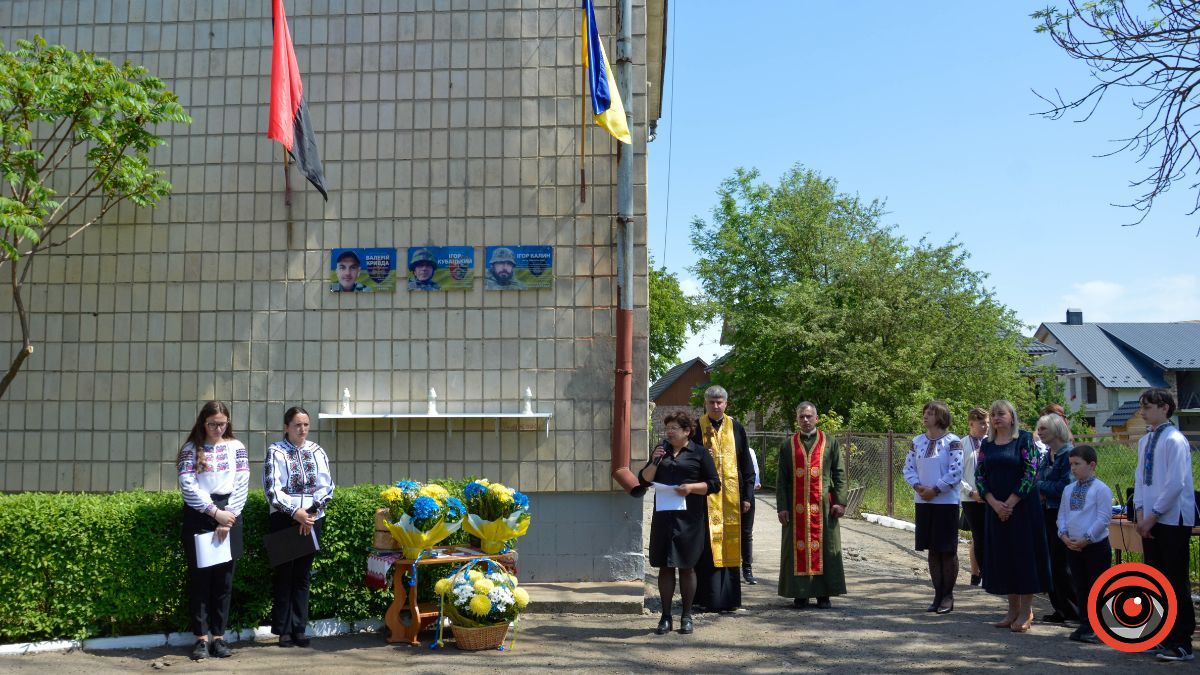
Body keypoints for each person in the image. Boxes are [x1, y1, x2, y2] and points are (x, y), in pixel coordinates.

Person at [177, 401, 250, 661]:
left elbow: (242, 483)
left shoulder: (237, 447)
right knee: (199, 580)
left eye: (222, 423)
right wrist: (213, 512)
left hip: (230, 512)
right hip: (200, 515)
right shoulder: (190, 449)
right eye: (212, 424)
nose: (217, 428)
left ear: (228, 422)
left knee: (224, 581)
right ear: (202, 423)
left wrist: (227, 517)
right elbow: (187, 486)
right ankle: (200, 639)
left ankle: (219, 637)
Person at [639, 413, 721, 635]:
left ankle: (686, 616)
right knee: (665, 566)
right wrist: (655, 460)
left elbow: (714, 485)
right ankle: (665, 617)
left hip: (689, 518)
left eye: (675, 428)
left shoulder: (700, 453)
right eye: (668, 428)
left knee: (686, 566)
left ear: (687, 431)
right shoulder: (660, 451)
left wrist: (691, 488)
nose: (670, 432)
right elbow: (644, 479)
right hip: (664, 517)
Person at [976, 399, 1050, 633]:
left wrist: (1010, 502)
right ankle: (1011, 611)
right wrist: (994, 503)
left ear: (1011, 417)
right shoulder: (986, 446)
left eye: (1001, 414)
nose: (996, 418)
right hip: (995, 510)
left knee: (1023, 557)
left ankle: (1027, 611)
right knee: (1005, 557)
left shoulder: (1025, 439)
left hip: (1023, 510)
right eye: (993, 414)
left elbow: (1031, 470)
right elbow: (979, 476)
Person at [264, 406, 335, 647]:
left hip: (313, 518)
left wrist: (311, 513)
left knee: (303, 574)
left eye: (305, 424)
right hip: (285, 518)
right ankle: (283, 630)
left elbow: (327, 486)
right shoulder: (276, 451)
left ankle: (299, 628)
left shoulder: (317, 450)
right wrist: (296, 513)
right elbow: (272, 489)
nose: (302, 429)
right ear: (286, 427)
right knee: (285, 574)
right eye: (297, 425)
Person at [1133, 388, 1195, 662]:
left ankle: (1182, 643)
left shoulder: (1175, 439)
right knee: (1156, 580)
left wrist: (1153, 514)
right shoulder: (1145, 441)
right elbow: (1140, 479)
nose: (1143, 411)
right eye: (1142, 406)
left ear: (1165, 408)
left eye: (1148, 406)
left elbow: (1175, 483)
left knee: (1175, 580)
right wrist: (1140, 512)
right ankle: (1161, 636)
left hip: (1172, 519)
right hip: (1150, 520)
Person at [776, 402, 847, 609]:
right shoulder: (788, 444)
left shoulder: (830, 442)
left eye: (809, 416)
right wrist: (782, 507)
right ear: (797, 420)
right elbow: (782, 479)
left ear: (816, 418)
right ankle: (800, 593)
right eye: (801, 417)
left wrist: (840, 501)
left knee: (826, 547)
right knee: (797, 548)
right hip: (795, 506)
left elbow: (839, 473)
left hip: (824, 507)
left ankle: (824, 594)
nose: (805, 420)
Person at [689, 385, 754, 612]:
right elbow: (688, 461)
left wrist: (747, 496)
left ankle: (729, 600)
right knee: (706, 548)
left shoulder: (736, 427)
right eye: (711, 402)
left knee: (730, 544)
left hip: (732, 500)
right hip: (704, 500)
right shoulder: (696, 428)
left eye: (720, 402)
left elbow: (746, 464)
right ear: (705, 404)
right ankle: (704, 599)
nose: (716, 406)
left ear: (726, 404)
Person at [903, 400, 964, 614]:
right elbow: (908, 469)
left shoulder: (952, 441)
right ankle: (937, 594)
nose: (925, 416)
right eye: (925, 412)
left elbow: (955, 472)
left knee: (946, 550)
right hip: (923, 502)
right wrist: (919, 487)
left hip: (945, 503)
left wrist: (936, 490)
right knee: (932, 550)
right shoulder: (917, 441)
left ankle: (948, 596)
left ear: (940, 417)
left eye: (930, 413)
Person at [1057, 444, 1112, 644]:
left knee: (1097, 586)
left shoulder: (1101, 489)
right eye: (1071, 464)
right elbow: (1062, 515)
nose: (1073, 468)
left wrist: (1086, 538)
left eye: (1077, 464)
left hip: (1095, 547)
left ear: (1092, 465)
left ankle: (1099, 626)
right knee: (1081, 586)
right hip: (1072, 545)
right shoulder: (1068, 489)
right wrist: (1064, 535)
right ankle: (1085, 623)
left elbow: (1103, 518)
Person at [1034, 412, 1080, 624]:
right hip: (1046, 512)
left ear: (1056, 429)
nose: (1039, 433)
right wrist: (1042, 488)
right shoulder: (1047, 455)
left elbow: (1066, 487)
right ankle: (1060, 609)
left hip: (1063, 515)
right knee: (1051, 562)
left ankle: (1074, 611)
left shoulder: (1068, 455)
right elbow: (1039, 479)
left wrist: (1041, 488)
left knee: (1063, 564)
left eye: (1043, 428)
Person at [958, 407, 988, 587]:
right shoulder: (962, 444)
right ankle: (983, 574)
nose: (986, 427)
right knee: (979, 535)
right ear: (971, 424)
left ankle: (986, 574)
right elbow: (956, 473)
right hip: (970, 498)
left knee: (989, 536)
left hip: (990, 498)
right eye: (982, 423)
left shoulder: (993, 443)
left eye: (987, 423)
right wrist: (970, 492)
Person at [741, 446, 762, 585]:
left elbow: (754, 474)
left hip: (746, 495)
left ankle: (747, 569)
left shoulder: (749, 451)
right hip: (723, 496)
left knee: (746, 533)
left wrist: (747, 497)